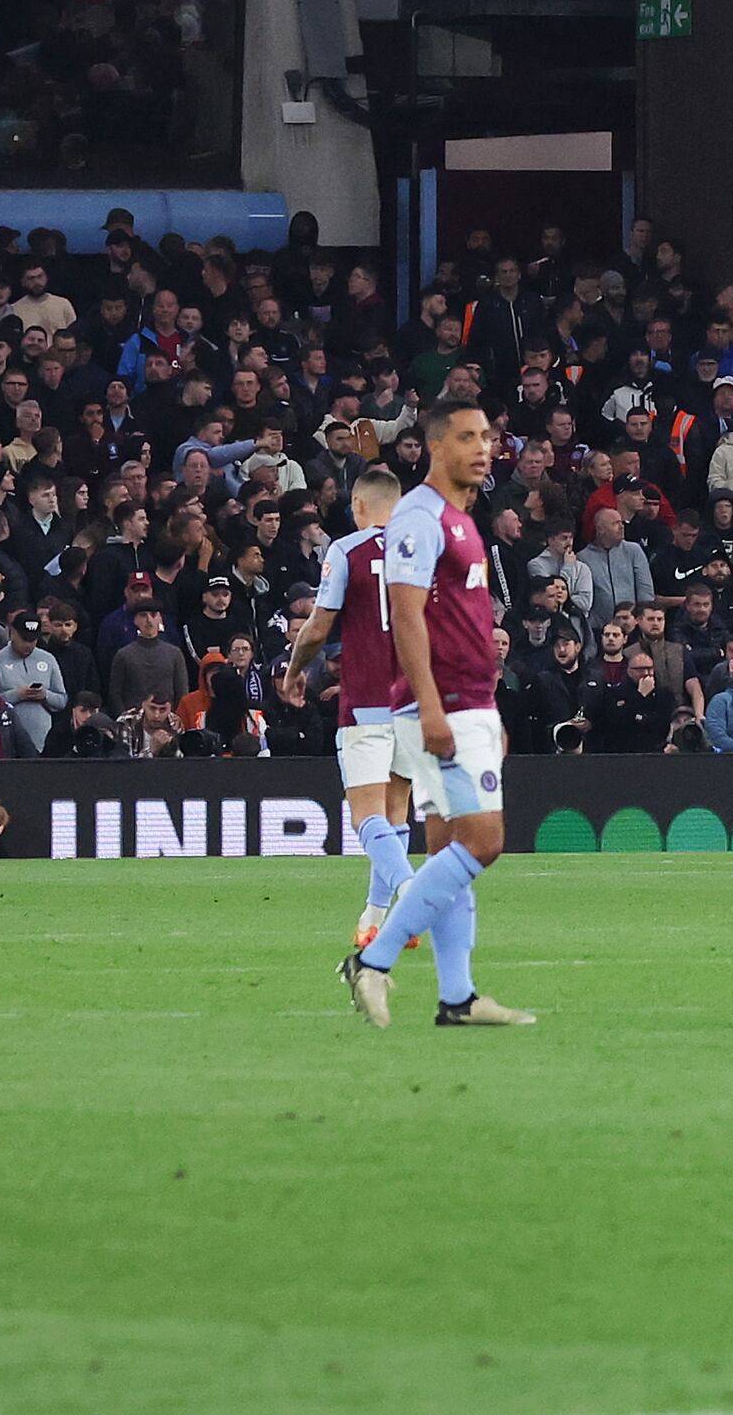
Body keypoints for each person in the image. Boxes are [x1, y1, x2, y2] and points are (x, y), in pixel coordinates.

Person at [348, 401, 536, 1033]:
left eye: (487, 435)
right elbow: (405, 616)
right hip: (444, 707)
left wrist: (491, 707)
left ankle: (456, 996)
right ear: (435, 446)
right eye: (466, 437)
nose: (483, 447)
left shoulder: (461, 519)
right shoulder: (420, 519)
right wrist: (432, 707)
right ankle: (371, 960)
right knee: (485, 842)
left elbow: (462, 623)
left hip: (470, 703)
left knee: (449, 847)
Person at [286, 464, 412, 960]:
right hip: (417, 703)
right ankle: (373, 921)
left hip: (367, 701)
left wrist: (296, 669)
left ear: (359, 507)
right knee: (396, 812)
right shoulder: (428, 552)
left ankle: (412, 898)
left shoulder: (347, 550)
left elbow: (318, 627)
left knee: (365, 817)